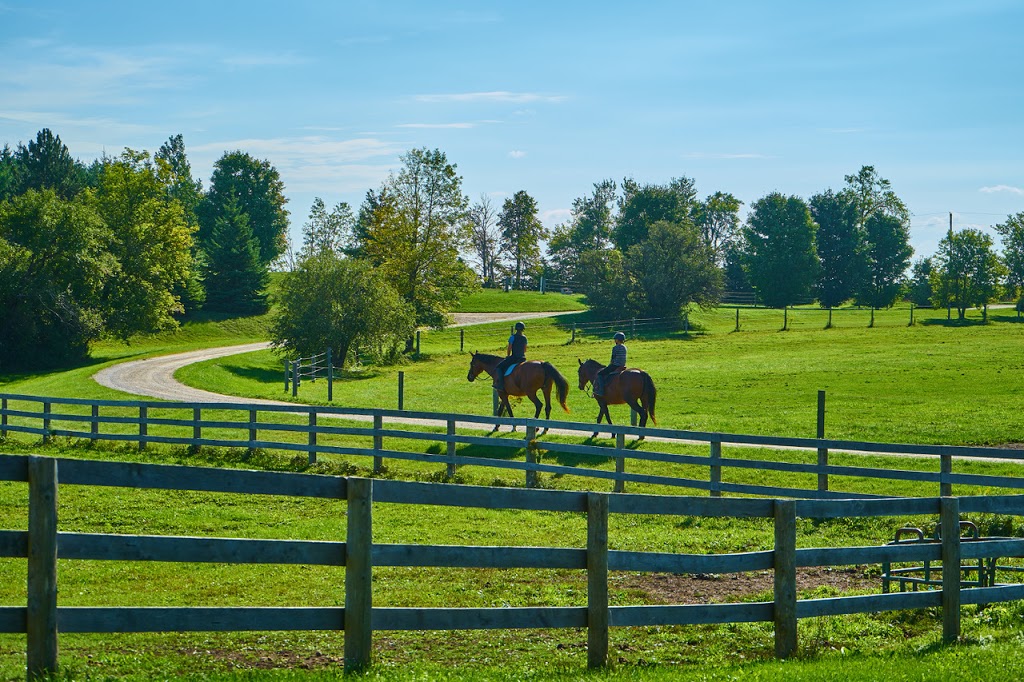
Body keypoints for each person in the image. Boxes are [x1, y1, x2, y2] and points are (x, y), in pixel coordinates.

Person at [494, 321, 527, 392]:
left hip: (514, 358)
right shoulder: (525, 338)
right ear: (523, 329)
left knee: (499, 367)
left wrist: (508, 355)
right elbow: (525, 349)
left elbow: (509, 348)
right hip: (522, 358)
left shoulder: (512, 337)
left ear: (516, 329)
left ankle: (500, 385)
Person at [594, 331, 627, 397]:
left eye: (615, 339)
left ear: (617, 340)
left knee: (600, 374)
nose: (615, 340)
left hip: (615, 365)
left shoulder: (615, 348)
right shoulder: (624, 347)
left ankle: (600, 391)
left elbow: (613, 358)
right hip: (622, 365)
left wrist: (609, 365)